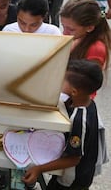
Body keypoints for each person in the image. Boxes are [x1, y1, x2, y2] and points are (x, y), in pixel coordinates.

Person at [22, 59, 103, 190]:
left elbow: (73, 159)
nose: (59, 81)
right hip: (68, 169)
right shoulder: (82, 100)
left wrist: (39, 169)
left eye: (63, 80)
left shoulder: (79, 120)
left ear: (75, 91)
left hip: (73, 179)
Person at [60, 0, 111, 81]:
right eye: (63, 26)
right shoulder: (78, 38)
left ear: (90, 28)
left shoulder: (96, 49)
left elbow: (86, 84)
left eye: (71, 29)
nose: (64, 33)